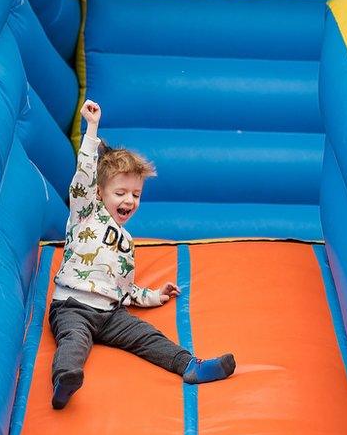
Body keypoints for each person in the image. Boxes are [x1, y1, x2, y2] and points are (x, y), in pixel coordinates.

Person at [49, 99, 236, 409]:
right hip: (72, 306)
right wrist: (91, 128)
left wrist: (153, 296)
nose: (130, 200)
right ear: (100, 193)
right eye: (120, 193)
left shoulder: (125, 242)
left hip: (111, 313)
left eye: (136, 194)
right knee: (74, 341)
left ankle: (191, 365)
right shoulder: (86, 215)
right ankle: (65, 378)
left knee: (147, 336)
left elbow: (123, 287)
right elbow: (82, 180)